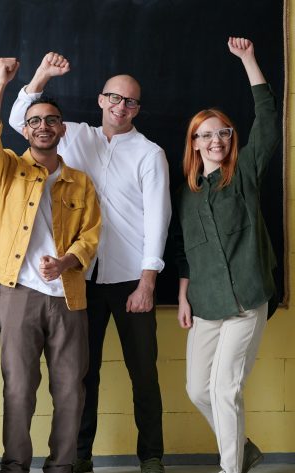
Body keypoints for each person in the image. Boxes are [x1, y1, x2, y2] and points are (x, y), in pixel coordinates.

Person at [9, 53, 171, 473]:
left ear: (137, 109)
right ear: (101, 100)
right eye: (115, 98)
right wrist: (40, 78)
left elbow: (159, 219)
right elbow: (18, 121)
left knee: (143, 374)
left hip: (131, 278)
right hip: (78, 278)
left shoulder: (150, 153)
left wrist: (148, 282)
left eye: (131, 102)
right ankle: (80, 457)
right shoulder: (73, 135)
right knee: (83, 376)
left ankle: (151, 456)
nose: (121, 106)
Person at [0, 57, 101, 473]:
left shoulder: (80, 181)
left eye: (51, 120)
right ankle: (15, 465)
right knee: (19, 389)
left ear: (62, 129)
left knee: (70, 390)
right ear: (26, 130)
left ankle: (61, 466)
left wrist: (66, 260)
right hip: (18, 294)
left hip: (69, 296)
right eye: (35, 121)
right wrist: (0, 84)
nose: (44, 126)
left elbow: (91, 235)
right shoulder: (9, 169)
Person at [175, 37, 278, 473]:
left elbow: (268, 120)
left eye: (223, 132)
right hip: (206, 305)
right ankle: (244, 449)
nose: (216, 140)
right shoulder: (187, 195)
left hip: (246, 301)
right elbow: (183, 251)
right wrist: (183, 297)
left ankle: (231, 468)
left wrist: (248, 59)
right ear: (194, 143)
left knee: (225, 390)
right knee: (198, 389)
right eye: (206, 135)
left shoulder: (246, 174)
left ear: (231, 138)